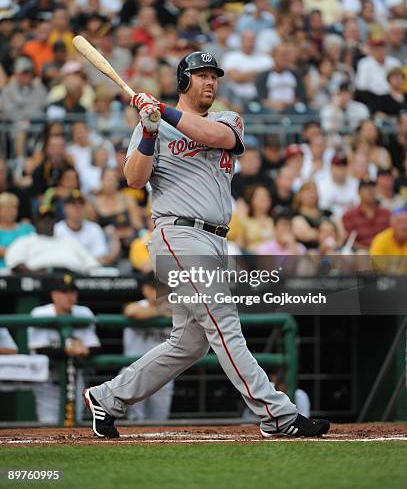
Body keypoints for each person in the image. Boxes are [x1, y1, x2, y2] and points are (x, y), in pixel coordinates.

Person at [83, 50, 330, 439]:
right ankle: (277, 414)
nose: (210, 81)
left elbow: (218, 138)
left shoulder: (226, 119)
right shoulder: (153, 126)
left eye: (214, 75)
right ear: (184, 81)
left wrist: (161, 111)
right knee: (224, 324)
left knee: (190, 342)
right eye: (200, 75)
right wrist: (148, 131)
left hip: (216, 239)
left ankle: (108, 396)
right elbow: (133, 178)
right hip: (177, 233)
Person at [28, 278, 101, 424]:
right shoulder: (40, 313)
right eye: (64, 292)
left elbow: (95, 346)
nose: (70, 296)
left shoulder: (84, 313)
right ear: (54, 295)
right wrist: (68, 350)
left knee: (75, 422)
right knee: (48, 423)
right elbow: (40, 348)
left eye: (72, 292)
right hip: (48, 381)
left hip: (74, 378)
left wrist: (85, 350)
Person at [122, 281, 174, 421]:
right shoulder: (139, 305)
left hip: (163, 372)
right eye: (155, 288)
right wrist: (159, 312)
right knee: (135, 419)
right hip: (135, 371)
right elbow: (131, 311)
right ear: (146, 289)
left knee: (160, 420)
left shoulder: (173, 307)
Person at [5, 206, 100, 274]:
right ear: (35, 223)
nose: (48, 223)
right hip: (39, 279)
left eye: (50, 220)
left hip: (71, 279)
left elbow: (92, 265)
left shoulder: (69, 242)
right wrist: (35, 274)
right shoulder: (25, 241)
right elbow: (15, 264)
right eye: (43, 220)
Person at [342, 179, 391, 250]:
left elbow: (391, 235)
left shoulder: (386, 213)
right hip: (361, 253)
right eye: (365, 188)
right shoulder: (349, 215)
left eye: (372, 187)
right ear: (358, 192)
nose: (370, 190)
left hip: (384, 252)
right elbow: (350, 241)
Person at [0, 193, 34, 269]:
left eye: (14, 208)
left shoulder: (27, 228)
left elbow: (36, 249)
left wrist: (7, 251)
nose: (10, 212)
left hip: (27, 272)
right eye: (6, 208)